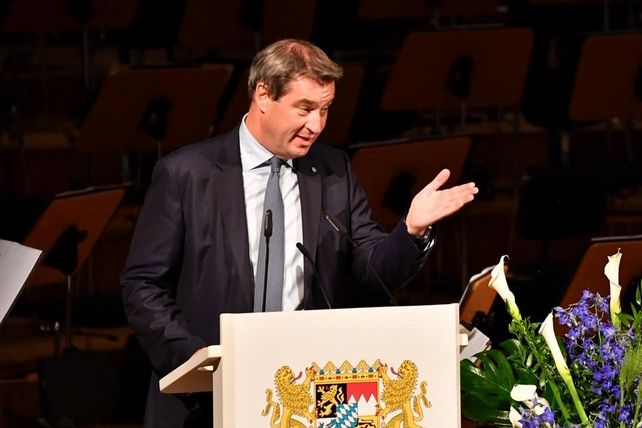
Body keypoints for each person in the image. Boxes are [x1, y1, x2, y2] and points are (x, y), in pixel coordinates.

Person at [121, 39, 478, 428]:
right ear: (263, 95)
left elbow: (371, 271)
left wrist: (410, 229)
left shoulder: (333, 170)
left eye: (325, 110)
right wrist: (195, 356)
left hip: (308, 394)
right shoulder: (186, 173)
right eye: (305, 109)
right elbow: (143, 285)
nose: (317, 125)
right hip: (207, 397)